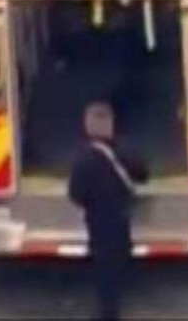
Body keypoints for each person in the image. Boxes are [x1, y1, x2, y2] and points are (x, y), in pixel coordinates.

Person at [67, 101, 145, 321]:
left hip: (97, 222)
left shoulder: (82, 159)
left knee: (103, 268)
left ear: (87, 126)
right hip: (121, 218)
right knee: (120, 258)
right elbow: (142, 173)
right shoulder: (125, 151)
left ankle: (108, 312)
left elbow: (75, 194)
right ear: (111, 125)